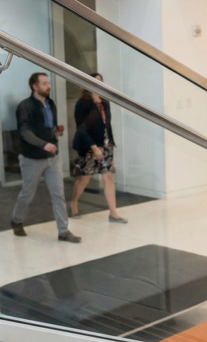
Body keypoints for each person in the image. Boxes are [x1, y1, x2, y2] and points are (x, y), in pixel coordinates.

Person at [10, 72, 81, 243]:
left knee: (58, 194)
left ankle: (63, 231)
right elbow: (24, 131)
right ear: (35, 86)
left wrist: (56, 132)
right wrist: (43, 144)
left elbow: (48, 126)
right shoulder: (25, 106)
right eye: (44, 83)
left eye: (48, 83)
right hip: (32, 158)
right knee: (28, 193)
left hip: (52, 157)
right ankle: (17, 220)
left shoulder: (51, 104)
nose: (48, 86)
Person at [70, 73, 126, 224]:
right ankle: (74, 203)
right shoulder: (83, 103)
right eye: (95, 81)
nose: (98, 84)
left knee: (108, 177)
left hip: (106, 144)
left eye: (101, 81)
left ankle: (113, 213)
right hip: (89, 145)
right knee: (84, 178)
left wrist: (109, 144)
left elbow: (107, 124)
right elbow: (81, 128)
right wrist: (94, 147)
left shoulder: (105, 102)